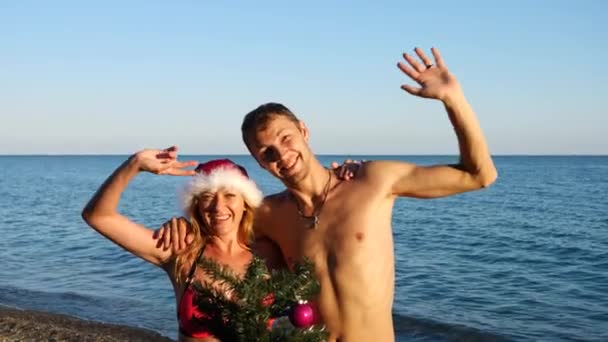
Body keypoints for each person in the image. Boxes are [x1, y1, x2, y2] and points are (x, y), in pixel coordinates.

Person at [167, 46, 498, 341]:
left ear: (304, 131)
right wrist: (183, 226)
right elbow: (216, 237)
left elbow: (479, 175)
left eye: (286, 138)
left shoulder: (372, 181)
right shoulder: (267, 215)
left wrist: (453, 100)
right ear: (256, 160)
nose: (281, 155)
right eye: (266, 151)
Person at [81, 149, 282, 341]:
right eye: (207, 196)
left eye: (229, 195)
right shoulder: (181, 249)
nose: (218, 206)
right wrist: (135, 164)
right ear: (196, 205)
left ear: (245, 202)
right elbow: (98, 217)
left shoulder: (269, 253)